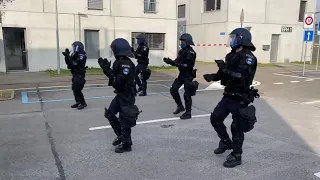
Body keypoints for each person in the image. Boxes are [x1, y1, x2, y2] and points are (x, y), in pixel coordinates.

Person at [203, 28, 259, 168]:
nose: (231, 40)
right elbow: (225, 74)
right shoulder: (231, 55)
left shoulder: (248, 58)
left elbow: (240, 77)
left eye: (234, 38)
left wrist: (223, 69)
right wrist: (214, 76)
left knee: (237, 127)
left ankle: (236, 155)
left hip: (240, 97)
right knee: (215, 118)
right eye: (231, 38)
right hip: (228, 95)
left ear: (241, 39)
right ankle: (226, 142)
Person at [98, 38, 141, 153]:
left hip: (127, 95)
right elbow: (115, 79)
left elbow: (118, 82)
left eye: (114, 49)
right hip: (121, 94)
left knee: (124, 118)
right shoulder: (120, 61)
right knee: (110, 113)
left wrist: (106, 69)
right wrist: (107, 69)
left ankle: (127, 144)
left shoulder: (125, 64)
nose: (112, 51)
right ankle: (121, 136)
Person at [163, 33, 198, 120]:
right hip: (181, 75)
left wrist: (175, 63)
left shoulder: (191, 52)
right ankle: (180, 106)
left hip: (188, 75)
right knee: (173, 90)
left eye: (183, 42)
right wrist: (170, 62)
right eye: (181, 41)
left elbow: (188, 65)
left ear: (187, 42)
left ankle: (188, 112)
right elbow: (177, 61)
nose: (181, 43)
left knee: (187, 94)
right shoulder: (181, 51)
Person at [62, 41, 87, 110]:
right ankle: (78, 101)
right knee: (74, 88)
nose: (73, 48)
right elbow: (69, 65)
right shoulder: (75, 55)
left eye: (74, 47)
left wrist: (69, 57)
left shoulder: (82, 55)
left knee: (77, 89)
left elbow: (75, 64)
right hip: (75, 74)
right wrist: (67, 57)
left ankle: (83, 103)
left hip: (79, 75)